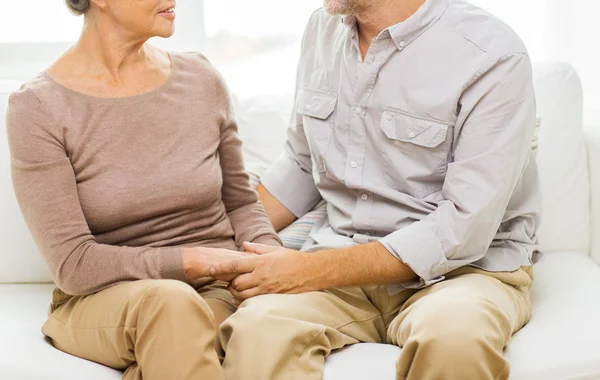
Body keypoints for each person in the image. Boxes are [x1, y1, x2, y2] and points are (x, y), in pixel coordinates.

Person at [209, 0, 541, 379]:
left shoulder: (491, 53)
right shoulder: (322, 28)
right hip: (340, 263)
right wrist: (218, 241)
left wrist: (304, 270)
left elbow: (462, 228)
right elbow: (304, 164)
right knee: (256, 331)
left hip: (463, 274)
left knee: (454, 340)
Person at [5, 1, 280, 379]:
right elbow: (73, 264)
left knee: (250, 330)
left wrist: (273, 263)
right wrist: (190, 261)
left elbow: (242, 203)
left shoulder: (201, 77)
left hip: (217, 291)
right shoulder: (38, 107)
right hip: (105, 299)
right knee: (171, 302)